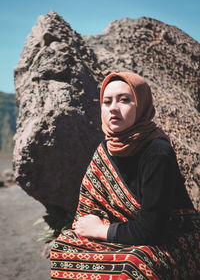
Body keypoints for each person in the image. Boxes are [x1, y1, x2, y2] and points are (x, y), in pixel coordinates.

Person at [50, 72, 200, 280]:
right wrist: (93, 228)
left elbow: (153, 230)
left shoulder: (157, 152)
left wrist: (102, 231)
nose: (113, 107)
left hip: (174, 236)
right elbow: (88, 212)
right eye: (107, 101)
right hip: (126, 233)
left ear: (141, 106)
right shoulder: (106, 150)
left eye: (125, 100)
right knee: (63, 248)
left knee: (134, 267)